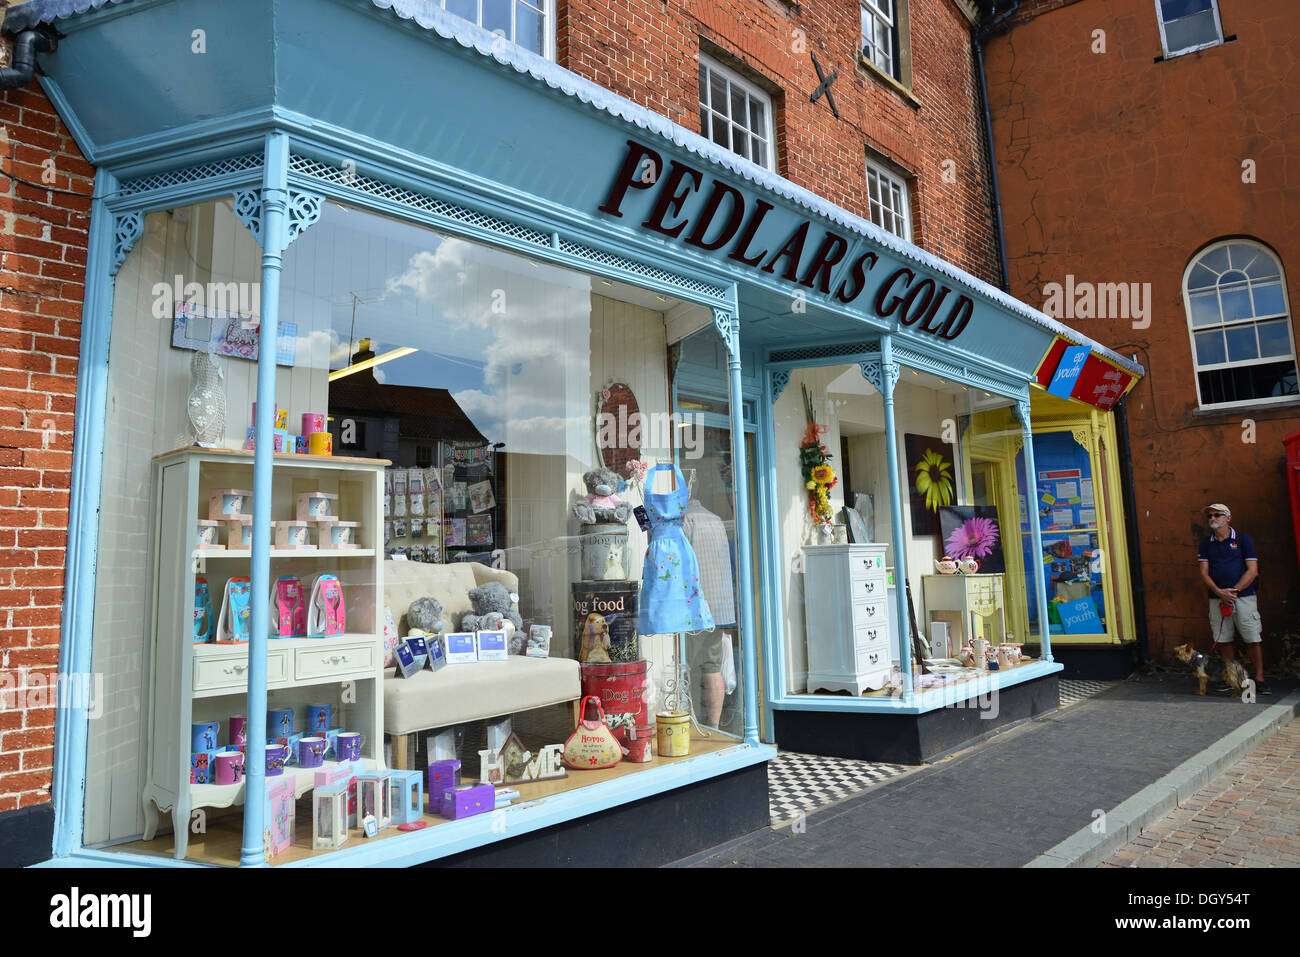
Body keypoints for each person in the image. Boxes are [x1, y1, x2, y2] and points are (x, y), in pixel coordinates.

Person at [1196, 503, 1267, 694]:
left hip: (1243, 597)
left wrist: (1233, 591)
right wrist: (1219, 592)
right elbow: (1204, 573)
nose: (1212, 518)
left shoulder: (1243, 540)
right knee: (1224, 639)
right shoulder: (1206, 543)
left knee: (1252, 638)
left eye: (1217, 515)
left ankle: (1259, 679)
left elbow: (1252, 570)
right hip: (1216, 598)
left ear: (1228, 518)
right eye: (1209, 516)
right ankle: (1234, 678)